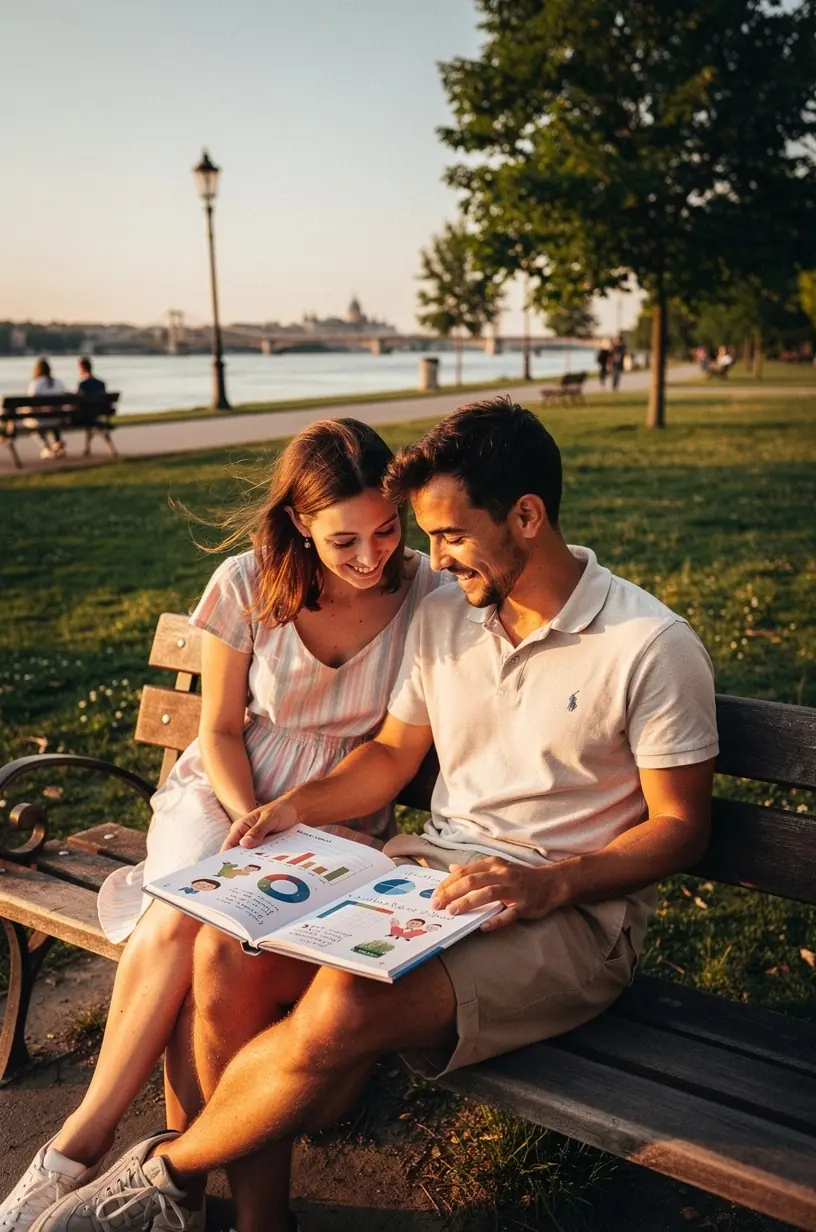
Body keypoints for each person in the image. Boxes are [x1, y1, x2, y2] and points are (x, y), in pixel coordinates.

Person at [29, 398, 720, 1232]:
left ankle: (163, 1175)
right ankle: (258, 1222)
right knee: (224, 950)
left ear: (527, 516)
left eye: (450, 535)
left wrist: (551, 883)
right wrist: (291, 808)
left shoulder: (650, 644)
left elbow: (681, 827)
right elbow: (392, 755)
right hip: (427, 875)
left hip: (568, 915)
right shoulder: (448, 612)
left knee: (345, 1006)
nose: (434, 559)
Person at [0, 418, 450, 1232]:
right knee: (192, 911)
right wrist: (251, 821)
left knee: (210, 943)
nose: (370, 555)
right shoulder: (249, 582)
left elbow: (391, 753)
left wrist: (295, 818)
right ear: (300, 522)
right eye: (344, 539)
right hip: (226, 792)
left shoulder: (424, 594)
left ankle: (161, 1178)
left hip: (336, 810)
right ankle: (84, 1144)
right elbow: (217, 730)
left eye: (386, 530)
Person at [26, 358, 66, 459]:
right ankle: (57, 444)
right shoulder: (58, 382)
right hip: (58, 419)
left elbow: (31, 404)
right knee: (52, 421)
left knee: (31, 424)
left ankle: (47, 447)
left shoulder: (36, 383)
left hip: (42, 420)